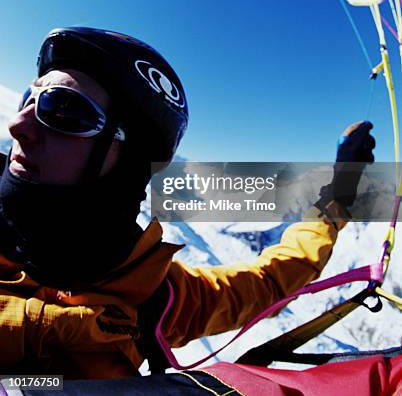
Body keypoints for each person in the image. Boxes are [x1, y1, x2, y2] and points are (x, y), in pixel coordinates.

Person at [0, 27, 375, 380]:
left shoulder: (151, 296)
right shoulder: (149, 298)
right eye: (28, 99)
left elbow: (269, 280)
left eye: (63, 110)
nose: (18, 124)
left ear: (127, 162)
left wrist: (336, 199)